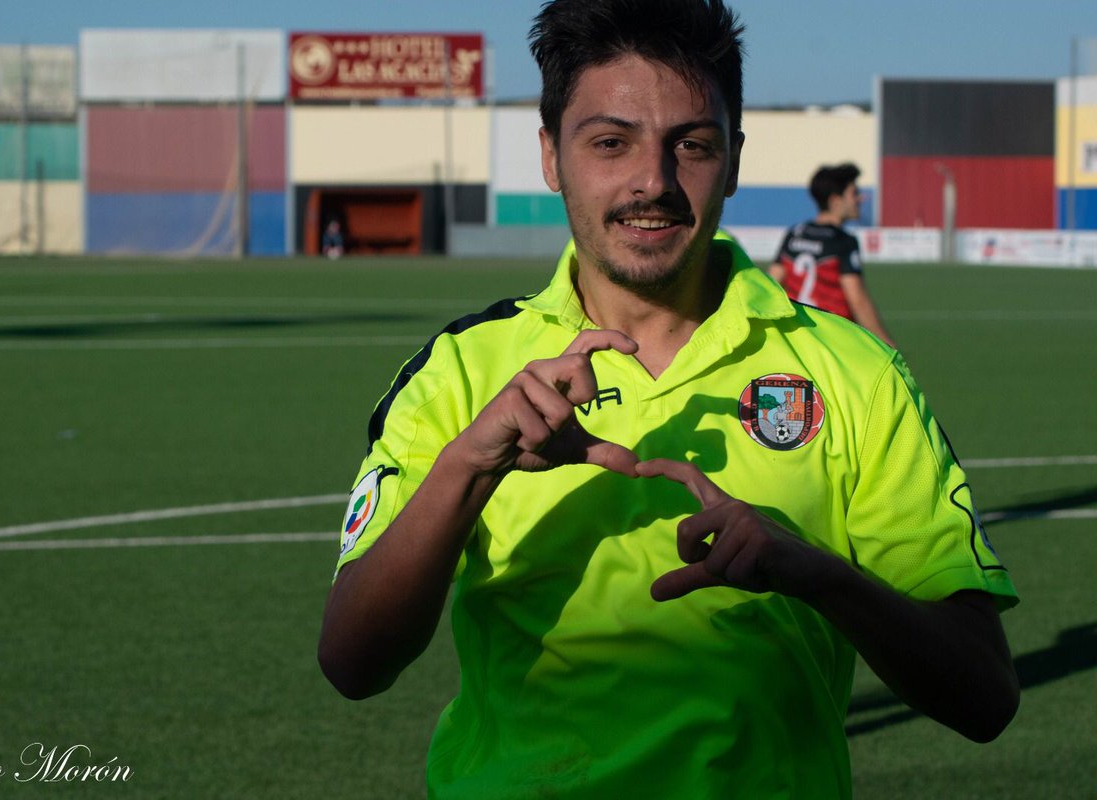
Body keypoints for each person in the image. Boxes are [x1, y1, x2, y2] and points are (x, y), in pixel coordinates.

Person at [319, 1, 1019, 797]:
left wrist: (821, 576)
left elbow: (984, 695)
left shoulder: (856, 373)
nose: (651, 180)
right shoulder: (460, 370)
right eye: (609, 143)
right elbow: (351, 663)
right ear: (551, 156)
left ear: (735, 158)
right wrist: (469, 469)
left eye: (691, 144)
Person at [769, 163, 897, 347]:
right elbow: (858, 301)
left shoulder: (795, 233)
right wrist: (887, 346)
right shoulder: (843, 241)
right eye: (854, 193)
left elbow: (772, 284)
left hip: (797, 338)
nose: (860, 199)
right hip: (833, 340)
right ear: (836, 201)